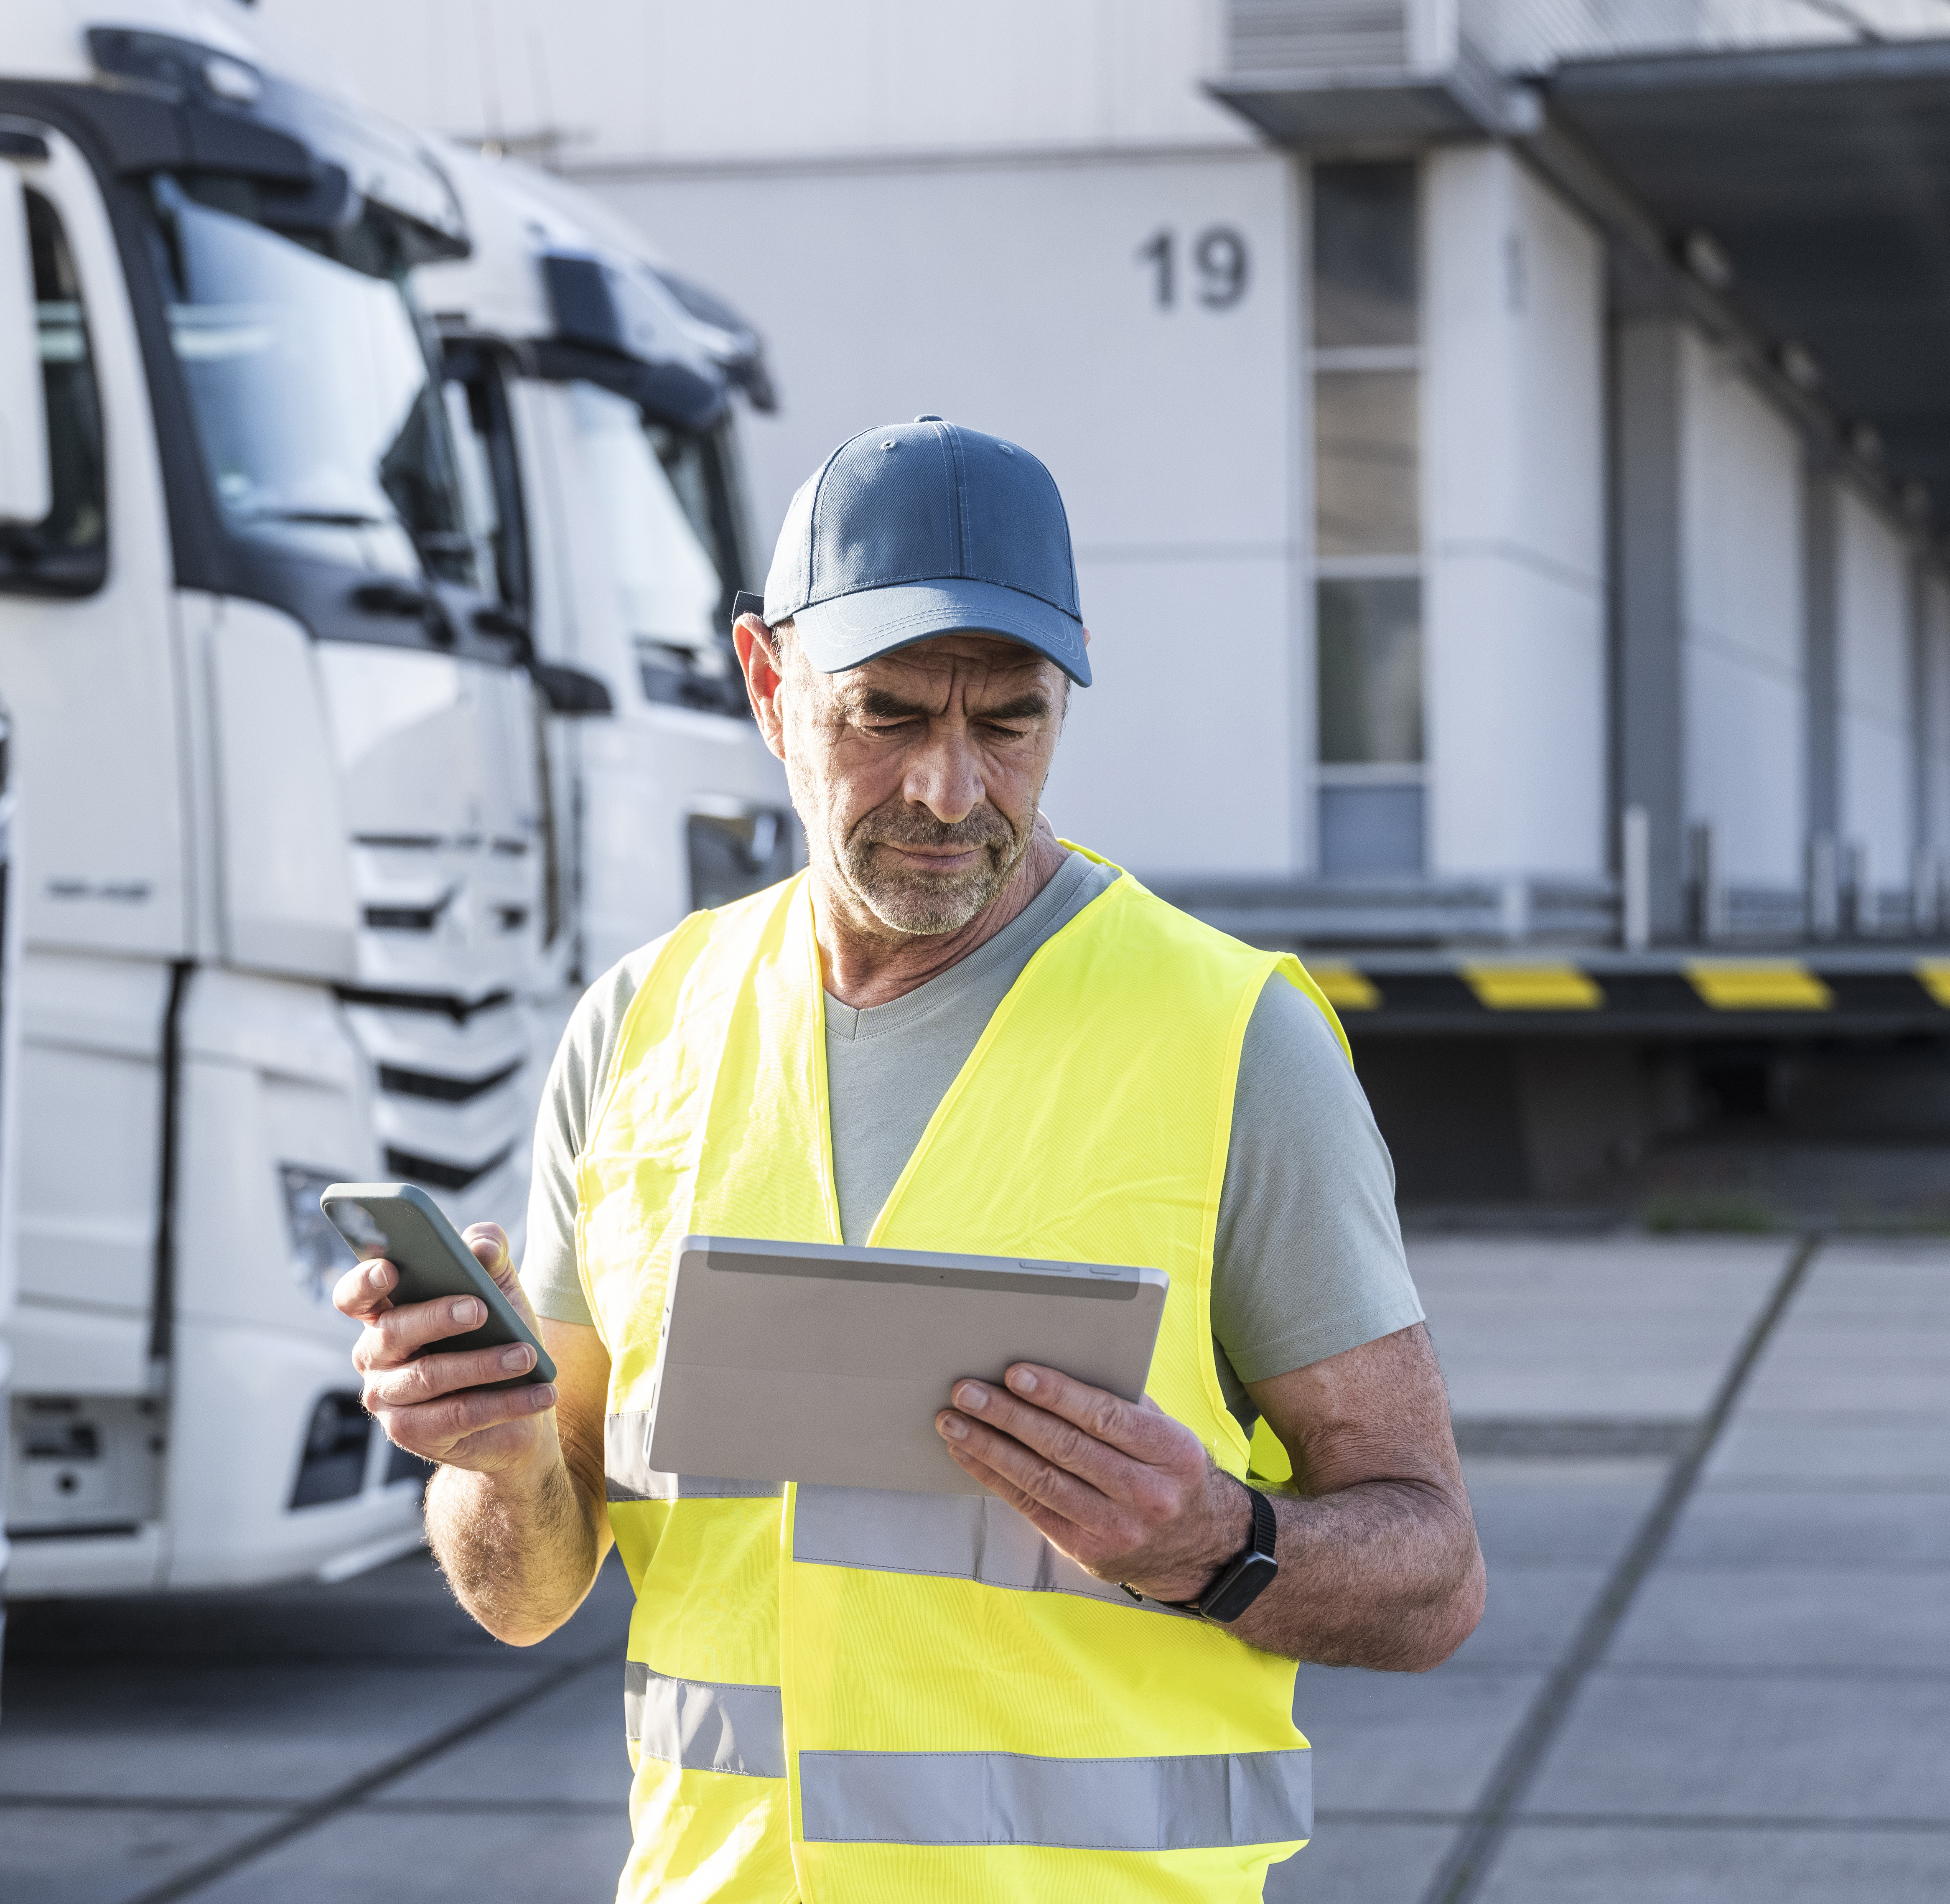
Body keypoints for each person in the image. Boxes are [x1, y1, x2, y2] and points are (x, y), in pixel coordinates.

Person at [337, 415, 1484, 1901]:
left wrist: (1217, 1540)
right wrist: (492, 1462)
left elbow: (1435, 1570)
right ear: (766, 682)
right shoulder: (640, 1028)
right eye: (885, 716)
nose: (951, 790)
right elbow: (526, 1590)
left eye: (1009, 722)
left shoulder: (1233, 1039)